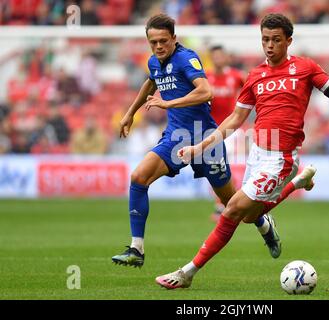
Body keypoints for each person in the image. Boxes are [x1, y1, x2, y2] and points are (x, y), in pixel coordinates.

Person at [155, 13, 329, 289]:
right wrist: (199, 147)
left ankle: (186, 273)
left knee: (232, 210)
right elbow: (235, 120)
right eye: (265, 39)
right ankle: (298, 183)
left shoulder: (306, 68)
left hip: (281, 158)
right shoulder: (255, 76)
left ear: (288, 41)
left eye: (276, 40)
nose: (270, 45)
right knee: (249, 216)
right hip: (258, 154)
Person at [111, 14, 287, 268]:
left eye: (163, 41)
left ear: (174, 38)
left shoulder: (186, 58)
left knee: (236, 208)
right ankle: (136, 249)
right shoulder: (154, 62)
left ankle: (263, 224)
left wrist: (169, 102)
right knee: (139, 177)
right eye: (153, 42)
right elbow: (150, 83)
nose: (158, 47)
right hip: (177, 139)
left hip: (206, 141)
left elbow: (206, 91)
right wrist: (130, 113)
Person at [206, 45, 246, 223]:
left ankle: (225, 205)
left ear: (226, 58)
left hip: (231, 128)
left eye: (221, 56)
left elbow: (251, 89)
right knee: (216, 167)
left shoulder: (236, 76)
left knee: (229, 167)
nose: (218, 59)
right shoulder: (205, 77)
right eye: (215, 56)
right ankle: (226, 203)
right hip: (211, 129)